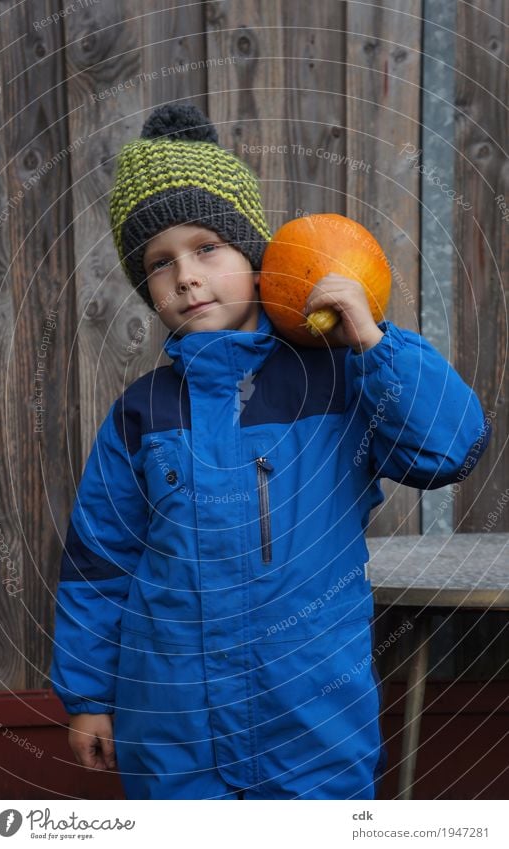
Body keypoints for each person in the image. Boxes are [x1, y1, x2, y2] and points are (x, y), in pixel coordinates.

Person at [50, 102, 491, 800]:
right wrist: (87, 695)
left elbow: (451, 449)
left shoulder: (341, 379)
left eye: (207, 248)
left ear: (255, 256)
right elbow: (98, 562)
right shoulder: (143, 413)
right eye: (159, 263)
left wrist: (376, 339)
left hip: (313, 724)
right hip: (172, 735)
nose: (186, 277)